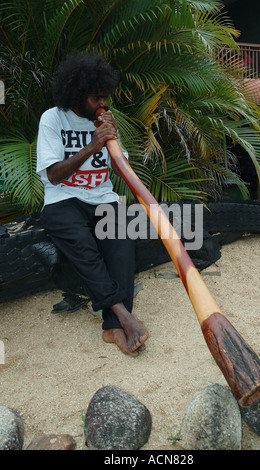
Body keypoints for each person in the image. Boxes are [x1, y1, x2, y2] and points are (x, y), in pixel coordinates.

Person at [36, 51, 148, 357]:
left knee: (122, 241)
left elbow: (120, 167)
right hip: (63, 201)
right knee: (84, 248)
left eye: (105, 97)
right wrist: (93, 145)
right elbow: (54, 175)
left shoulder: (104, 120)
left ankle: (112, 325)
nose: (103, 104)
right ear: (76, 94)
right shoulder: (53, 119)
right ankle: (123, 316)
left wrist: (111, 141)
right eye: (96, 98)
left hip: (102, 198)